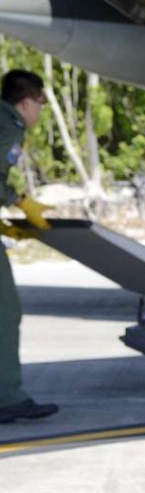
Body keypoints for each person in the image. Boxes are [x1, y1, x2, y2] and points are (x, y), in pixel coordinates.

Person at [0, 69, 58, 424]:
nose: (39, 112)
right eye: (40, 103)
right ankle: (8, 398)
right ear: (27, 101)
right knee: (5, 313)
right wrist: (18, 200)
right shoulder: (10, 125)